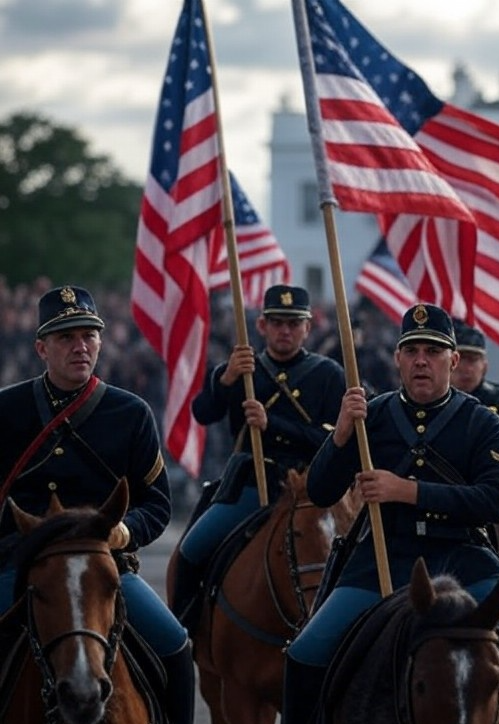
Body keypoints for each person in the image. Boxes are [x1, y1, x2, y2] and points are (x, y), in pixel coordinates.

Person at [282, 303, 499, 724]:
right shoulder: (370, 417)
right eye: (411, 350)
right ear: (397, 358)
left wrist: (406, 491)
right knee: (305, 654)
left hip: (464, 557)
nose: (421, 360)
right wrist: (340, 436)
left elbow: (494, 502)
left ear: (453, 360)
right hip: (384, 555)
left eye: (432, 352)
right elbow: (322, 493)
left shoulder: (483, 424)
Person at [0, 286, 194, 724]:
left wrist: (122, 532)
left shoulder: (131, 413)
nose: (80, 346)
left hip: (104, 565)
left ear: (101, 342)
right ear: (41, 348)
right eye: (66, 337)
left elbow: (157, 503)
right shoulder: (7, 409)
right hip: (22, 564)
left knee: (176, 645)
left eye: (88, 335)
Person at [172, 285, 346, 629]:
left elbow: (335, 440)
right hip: (251, 484)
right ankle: (185, 631)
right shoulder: (242, 368)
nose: (285, 331)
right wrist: (226, 380)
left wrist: (273, 424)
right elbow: (202, 413)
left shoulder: (328, 375)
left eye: (294, 324)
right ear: (262, 325)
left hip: (312, 492)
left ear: (308, 328)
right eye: (277, 322)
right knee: (190, 550)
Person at [451, 319, 499, 415]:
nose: (467, 369)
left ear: (485, 366)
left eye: (473, 360)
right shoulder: (429, 398)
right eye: (459, 359)